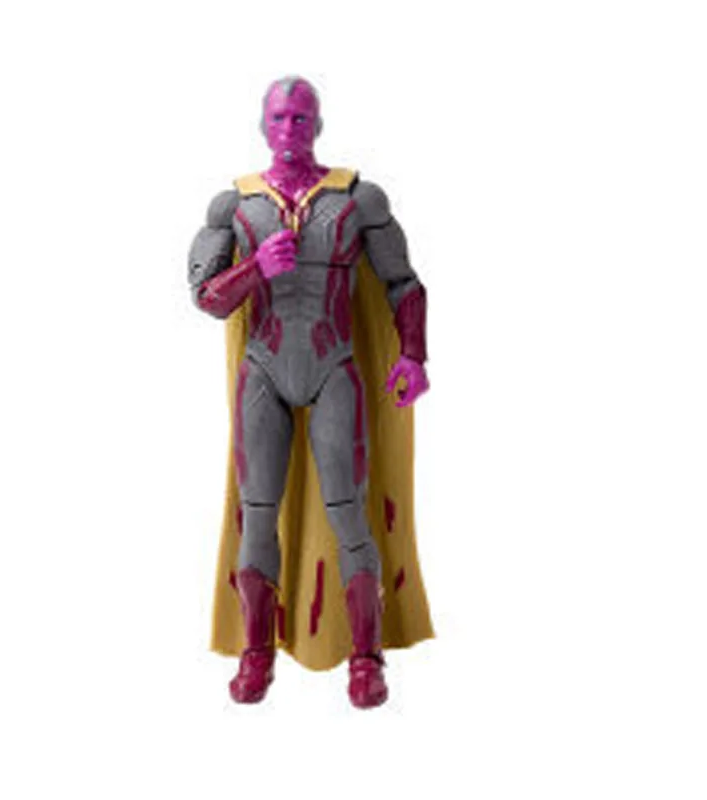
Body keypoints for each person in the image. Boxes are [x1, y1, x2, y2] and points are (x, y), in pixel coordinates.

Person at [187, 76, 432, 708]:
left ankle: (366, 656)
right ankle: (257, 651)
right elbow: (206, 298)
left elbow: (404, 283)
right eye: (279, 118)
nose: (289, 129)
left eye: (300, 118)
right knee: (257, 510)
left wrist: (412, 353)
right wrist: (255, 267)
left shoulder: (357, 198)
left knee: (348, 508)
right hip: (264, 369)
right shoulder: (233, 205)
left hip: (334, 367)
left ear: (317, 125)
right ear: (262, 126)